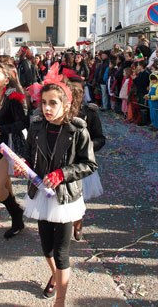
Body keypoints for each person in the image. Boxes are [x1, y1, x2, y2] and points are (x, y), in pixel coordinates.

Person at [17, 71, 97, 305]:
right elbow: (29, 156)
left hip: (65, 198)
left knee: (61, 253)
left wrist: (63, 173)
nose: (47, 108)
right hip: (42, 194)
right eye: (43, 103)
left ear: (66, 104)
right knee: (46, 248)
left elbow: (90, 164)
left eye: (53, 103)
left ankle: (60, 300)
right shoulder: (36, 127)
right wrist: (24, 167)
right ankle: (55, 274)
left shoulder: (78, 129)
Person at [0, 63, 28, 238]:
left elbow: (24, 123)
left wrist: (1, 129)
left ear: (6, 80)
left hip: (10, 146)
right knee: (5, 186)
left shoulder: (14, 97)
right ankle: (17, 220)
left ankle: (17, 212)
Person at [68, 76, 105, 240]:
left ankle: (77, 223)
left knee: (78, 197)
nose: (76, 94)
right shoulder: (59, 109)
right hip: (63, 162)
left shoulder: (89, 112)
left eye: (79, 91)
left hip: (82, 163)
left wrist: (90, 144)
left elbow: (100, 138)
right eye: (71, 89)